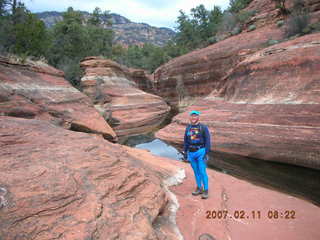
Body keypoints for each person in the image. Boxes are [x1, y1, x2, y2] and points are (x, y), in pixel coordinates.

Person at [183, 110, 211, 199]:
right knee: (196, 172)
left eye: (195, 116)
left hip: (200, 152)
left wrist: (206, 153)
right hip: (191, 153)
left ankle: (206, 190)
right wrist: (185, 152)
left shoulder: (203, 127)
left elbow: (208, 141)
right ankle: (199, 188)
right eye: (192, 116)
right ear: (190, 117)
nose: (193, 118)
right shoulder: (188, 128)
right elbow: (186, 141)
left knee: (202, 171)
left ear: (198, 117)